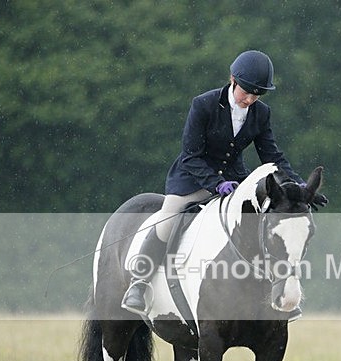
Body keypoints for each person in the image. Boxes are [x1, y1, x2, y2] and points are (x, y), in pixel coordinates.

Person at [122, 50, 326, 316]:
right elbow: (190, 155)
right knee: (168, 217)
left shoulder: (261, 113)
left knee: (264, 224)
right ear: (233, 80)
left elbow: (272, 156)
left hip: (235, 181)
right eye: (246, 93)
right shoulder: (203, 105)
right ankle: (139, 282)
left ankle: (277, 293)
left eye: (257, 95)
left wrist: (300, 188)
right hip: (192, 179)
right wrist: (216, 183)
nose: (250, 99)